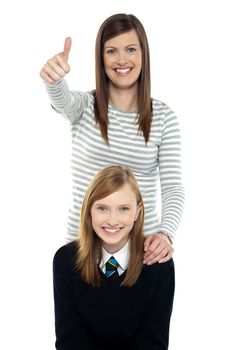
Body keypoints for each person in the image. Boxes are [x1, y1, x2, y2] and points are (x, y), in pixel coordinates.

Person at [40, 13, 185, 265]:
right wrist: (54, 79)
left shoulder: (163, 117)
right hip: (83, 250)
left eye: (130, 49)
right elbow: (61, 99)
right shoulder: (84, 106)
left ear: (143, 55)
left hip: (141, 254)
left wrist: (165, 234)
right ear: (101, 58)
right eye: (111, 51)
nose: (121, 60)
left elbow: (173, 187)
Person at [53, 165, 175, 350]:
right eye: (102, 208)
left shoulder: (157, 264)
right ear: (89, 209)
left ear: (138, 211)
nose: (112, 220)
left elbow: (153, 342)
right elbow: (70, 339)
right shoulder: (65, 260)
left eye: (123, 209)